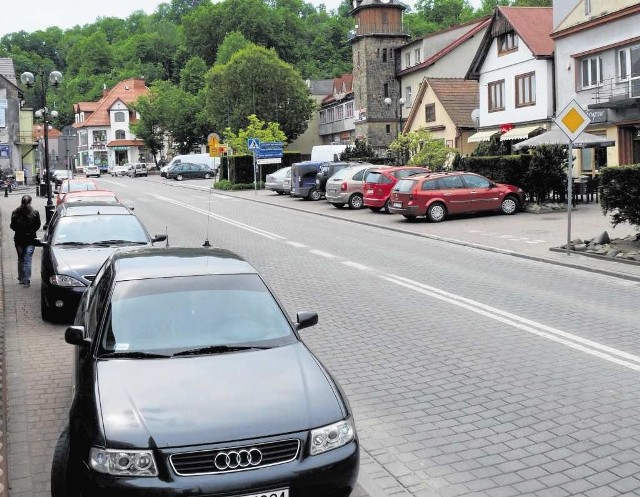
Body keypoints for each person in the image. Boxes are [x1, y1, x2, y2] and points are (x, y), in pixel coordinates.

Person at [10, 195, 41, 287]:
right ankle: (26, 280)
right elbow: (38, 225)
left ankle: (21, 278)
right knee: (27, 260)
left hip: (19, 239)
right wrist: (31, 231)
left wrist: (19, 231)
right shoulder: (35, 212)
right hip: (30, 239)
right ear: (30, 202)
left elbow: (12, 226)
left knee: (20, 259)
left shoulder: (15, 212)